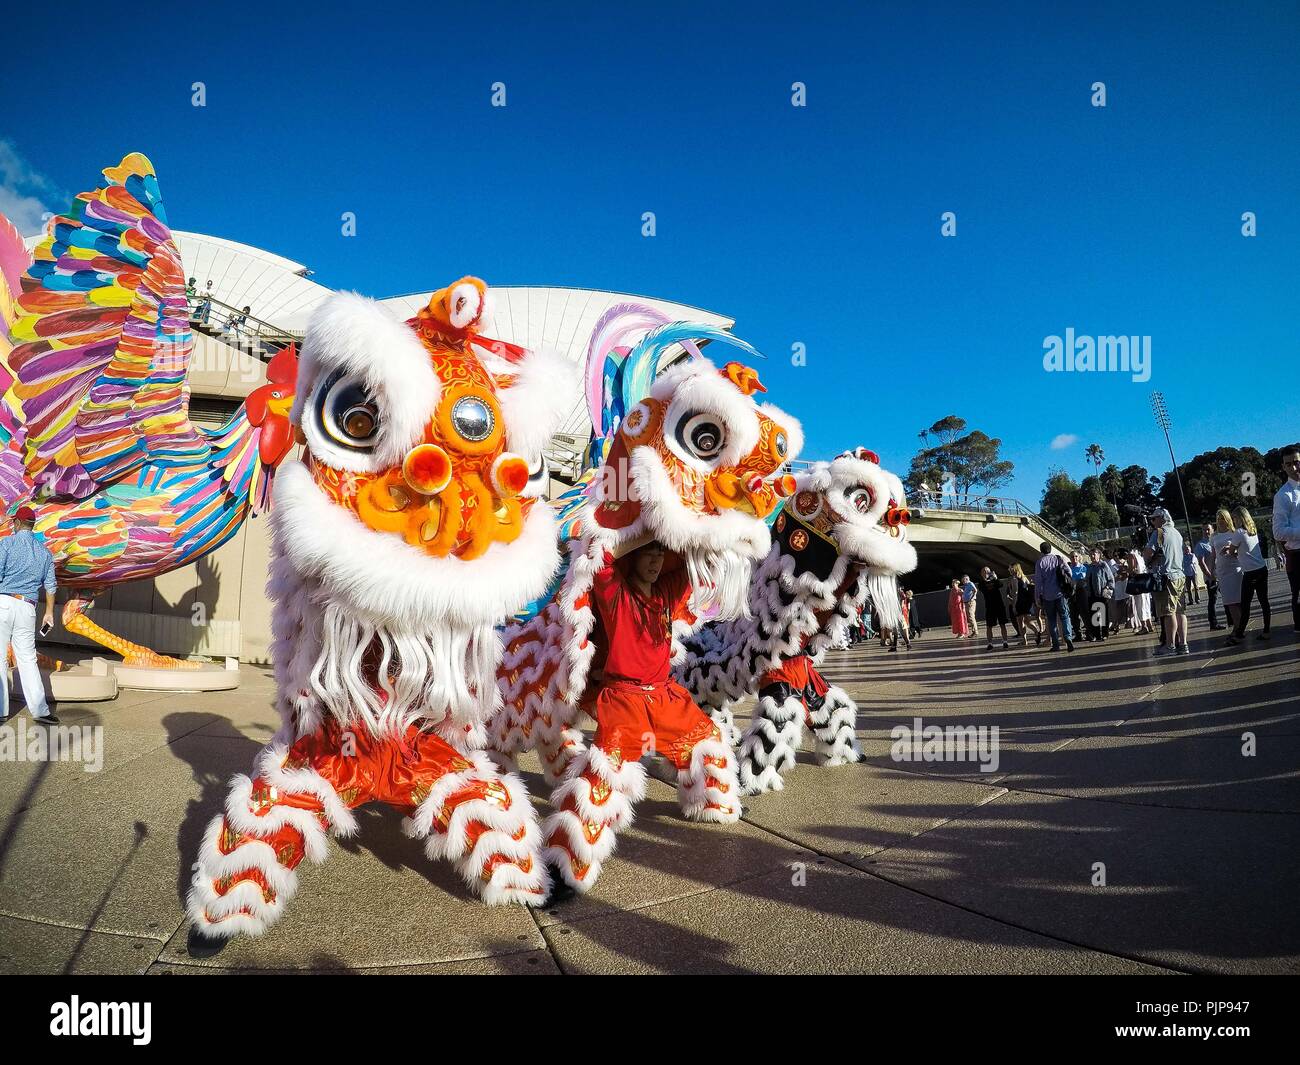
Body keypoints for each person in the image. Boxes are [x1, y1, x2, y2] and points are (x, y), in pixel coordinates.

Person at [0, 506, 59, 724]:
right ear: (32, 525)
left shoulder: (6, 543)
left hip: (4, 602)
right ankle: (41, 712)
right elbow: (51, 585)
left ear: (16, 523)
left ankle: (1, 711)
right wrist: (50, 612)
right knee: (28, 659)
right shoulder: (44, 552)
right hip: (28, 607)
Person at [1145, 509, 1188, 657]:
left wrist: (1148, 558)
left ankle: (1170, 645)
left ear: (1161, 519)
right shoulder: (1176, 533)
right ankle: (1183, 644)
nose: (1152, 522)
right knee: (1180, 611)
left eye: (1154, 519)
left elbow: (1149, 552)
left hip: (1166, 576)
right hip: (1180, 575)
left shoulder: (1159, 533)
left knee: (1169, 612)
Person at [1226, 507, 1271, 645]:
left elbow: (1231, 552)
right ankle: (1266, 631)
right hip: (1262, 568)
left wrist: (1233, 552)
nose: (1233, 521)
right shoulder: (1252, 530)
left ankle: (1239, 634)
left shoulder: (1238, 532)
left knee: (1245, 604)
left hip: (1250, 572)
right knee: (1264, 601)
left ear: (1239, 518)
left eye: (1234, 518)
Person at [1273, 447, 1300, 632]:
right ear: (1284, 467)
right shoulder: (1283, 495)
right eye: (1289, 464)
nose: (1294, 467)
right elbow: (1278, 531)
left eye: (1296, 462)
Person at [1034, 542, 1075, 652]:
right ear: (1050, 549)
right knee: (1065, 616)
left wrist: (1037, 597)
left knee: (1051, 620)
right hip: (1060, 593)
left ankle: (1055, 644)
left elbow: (1038, 582)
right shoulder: (1058, 559)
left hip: (1047, 596)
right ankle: (1067, 637)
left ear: (1041, 551)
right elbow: (1069, 572)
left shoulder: (1040, 563)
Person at [1212, 508, 1244, 634]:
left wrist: (1231, 550)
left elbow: (1241, 551)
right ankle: (1237, 626)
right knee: (1229, 601)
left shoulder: (1234, 533)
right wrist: (1210, 572)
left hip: (1235, 569)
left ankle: (1240, 626)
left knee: (1239, 600)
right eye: (1218, 519)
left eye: (1223, 519)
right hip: (1222, 571)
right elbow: (1213, 555)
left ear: (1228, 520)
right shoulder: (1214, 536)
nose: (1221, 521)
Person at [1193, 522, 1222, 630]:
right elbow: (1201, 562)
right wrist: (1210, 576)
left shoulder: (1217, 541)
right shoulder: (1201, 545)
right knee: (1213, 600)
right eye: (1204, 530)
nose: (1206, 532)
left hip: (1222, 575)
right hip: (1212, 578)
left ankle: (1232, 620)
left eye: (1208, 529)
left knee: (1228, 598)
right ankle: (1213, 623)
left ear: (1213, 529)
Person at [1084, 546, 1115, 641]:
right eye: (1091, 555)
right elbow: (1086, 580)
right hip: (1091, 594)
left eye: (1094, 554)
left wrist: (1108, 588)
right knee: (1094, 615)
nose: (1092, 556)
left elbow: (1110, 579)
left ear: (1099, 555)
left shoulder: (1103, 565)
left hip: (1102, 593)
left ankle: (1105, 633)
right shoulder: (1089, 567)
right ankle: (1097, 635)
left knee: (1103, 614)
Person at [977, 565, 1011, 650]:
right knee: (989, 626)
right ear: (981, 573)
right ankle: (990, 643)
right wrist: (986, 580)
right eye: (984, 571)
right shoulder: (981, 583)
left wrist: (995, 578)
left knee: (1002, 624)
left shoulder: (994, 580)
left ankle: (1005, 642)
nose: (986, 573)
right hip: (989, 607)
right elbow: (983, 589)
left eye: (987, 571)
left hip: (999, 605)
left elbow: (1000, 585)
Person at [1009, 562, 1041, 646]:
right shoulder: (1024, 577)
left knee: (1020, 621)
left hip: (1019, 602)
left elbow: (1015, 593)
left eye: (1010, 568)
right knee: (1027, 620)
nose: (1009, 569)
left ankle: (1024, 640)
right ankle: (1037, 633)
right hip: (1027, 602)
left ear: (1014, 569)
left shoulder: (1014, 579)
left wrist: (1014, 605)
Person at [1067, 550, 1090, 640]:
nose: (1074, 558)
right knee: (1073, 614)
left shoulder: (1083, 568)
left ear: (1079, 557)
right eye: (1072, 557)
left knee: (1084, 613)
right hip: (1072, 593)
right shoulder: (1068, 568)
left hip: (1081, 592)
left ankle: (1089, 632)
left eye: (1076, 556)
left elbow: (1083, 579)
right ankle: (1078, 634)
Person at [960, 574, 978, 638]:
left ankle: (975, 632)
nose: (963, 581)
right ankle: (974, 631)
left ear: (967, 579)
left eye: (963, 580)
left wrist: (971, 599)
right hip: (967, 603)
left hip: (970, 602)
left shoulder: (970, 584)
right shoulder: (966, 586)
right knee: (970, 617)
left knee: (971, 616)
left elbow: (975, 590)